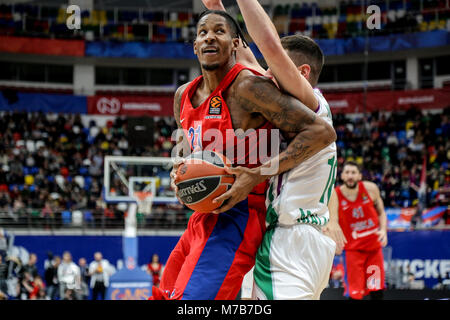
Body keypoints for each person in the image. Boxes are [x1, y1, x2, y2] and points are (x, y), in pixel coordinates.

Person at [156, 9, 336, 300]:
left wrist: (255, 174)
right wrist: (181, 174)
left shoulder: (252, 87)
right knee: (165, 295)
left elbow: (322, 133)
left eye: (219, 32)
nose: (209, 37)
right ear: (194, 44)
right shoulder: (183, 97)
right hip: (206, 216)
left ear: (236, 45)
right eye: (202, 32)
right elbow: (191, 157)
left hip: (244, 217)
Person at [326, 161, 388, 300]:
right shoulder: (335, 195)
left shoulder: (371, 189)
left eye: (353, 173)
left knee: (376, 289)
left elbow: (381, 212)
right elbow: (332, 222)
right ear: (341, 176)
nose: (350, 176)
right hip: (353, 252)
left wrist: (383, 230)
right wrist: (334, 240)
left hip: (374, 249)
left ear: (360, 176)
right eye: (347, 172)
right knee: (355, 293)